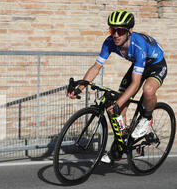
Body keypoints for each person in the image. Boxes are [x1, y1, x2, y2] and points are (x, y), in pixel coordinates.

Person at [67, 10, 167, 163]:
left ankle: (147, 118)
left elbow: (135, 84)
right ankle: (120, 148)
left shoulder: (138, 45)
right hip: (138, 65)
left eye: (120, 31)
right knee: (120, 108)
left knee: (147, 90)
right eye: (112, 30)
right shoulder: (109, 42)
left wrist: (118, 102)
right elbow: (96, 67)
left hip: (155, 64)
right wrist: (80, 87)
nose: (115, 35)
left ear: (129, 31)